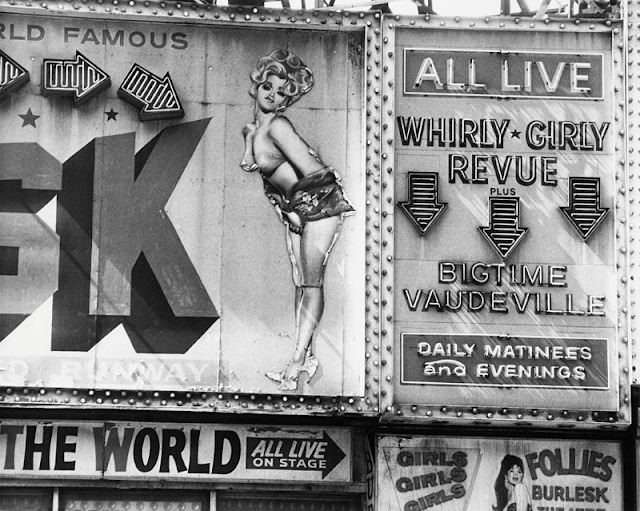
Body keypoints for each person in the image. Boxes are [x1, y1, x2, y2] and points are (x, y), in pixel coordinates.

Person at [240, 49, 354, 391]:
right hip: (296, 210)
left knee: (311, 283)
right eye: (269, 87)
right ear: (257, 85)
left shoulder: (278, 126)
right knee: (300, 282)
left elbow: (316, 172)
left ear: (287, 100)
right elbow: (266, 176)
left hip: (319, 206)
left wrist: (297, 207)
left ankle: (297, 362)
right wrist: (287, 209)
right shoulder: (254, 130)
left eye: (281, 93)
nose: (272, 96)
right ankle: (302, 355)